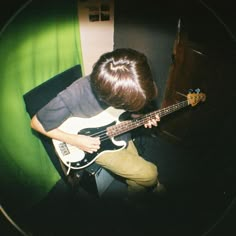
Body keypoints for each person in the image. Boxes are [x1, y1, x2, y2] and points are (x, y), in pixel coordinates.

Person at [30, 48, 161, 197]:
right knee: (150, 175)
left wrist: (142, 117)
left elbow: (127, 113)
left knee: (137, 171)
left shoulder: (119, 82)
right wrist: (77, 140)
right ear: (112, 98)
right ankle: (148, 188)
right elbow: (36, 123)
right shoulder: (74, 94)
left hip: (118, 131)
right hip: (91, 144)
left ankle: (135, 194)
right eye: (126, 103)